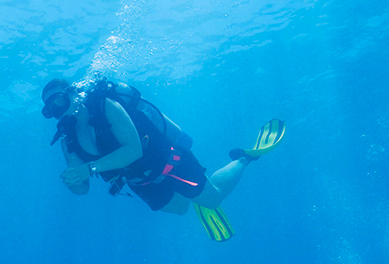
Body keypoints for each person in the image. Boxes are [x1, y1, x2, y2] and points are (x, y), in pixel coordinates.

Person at [41, 77, 284, 240]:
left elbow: (133, 150)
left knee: (213, 199)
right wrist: (72, 181)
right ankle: (195, 194)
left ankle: (244, 159)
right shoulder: (67, 139)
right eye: (50, 109)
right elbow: (82, 187)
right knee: (181, 208)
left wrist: (89, 168)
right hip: (140, 181)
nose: (57, 109)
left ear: (72, 92)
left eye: (58, 99)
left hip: (168, 161)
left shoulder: (105, 106)